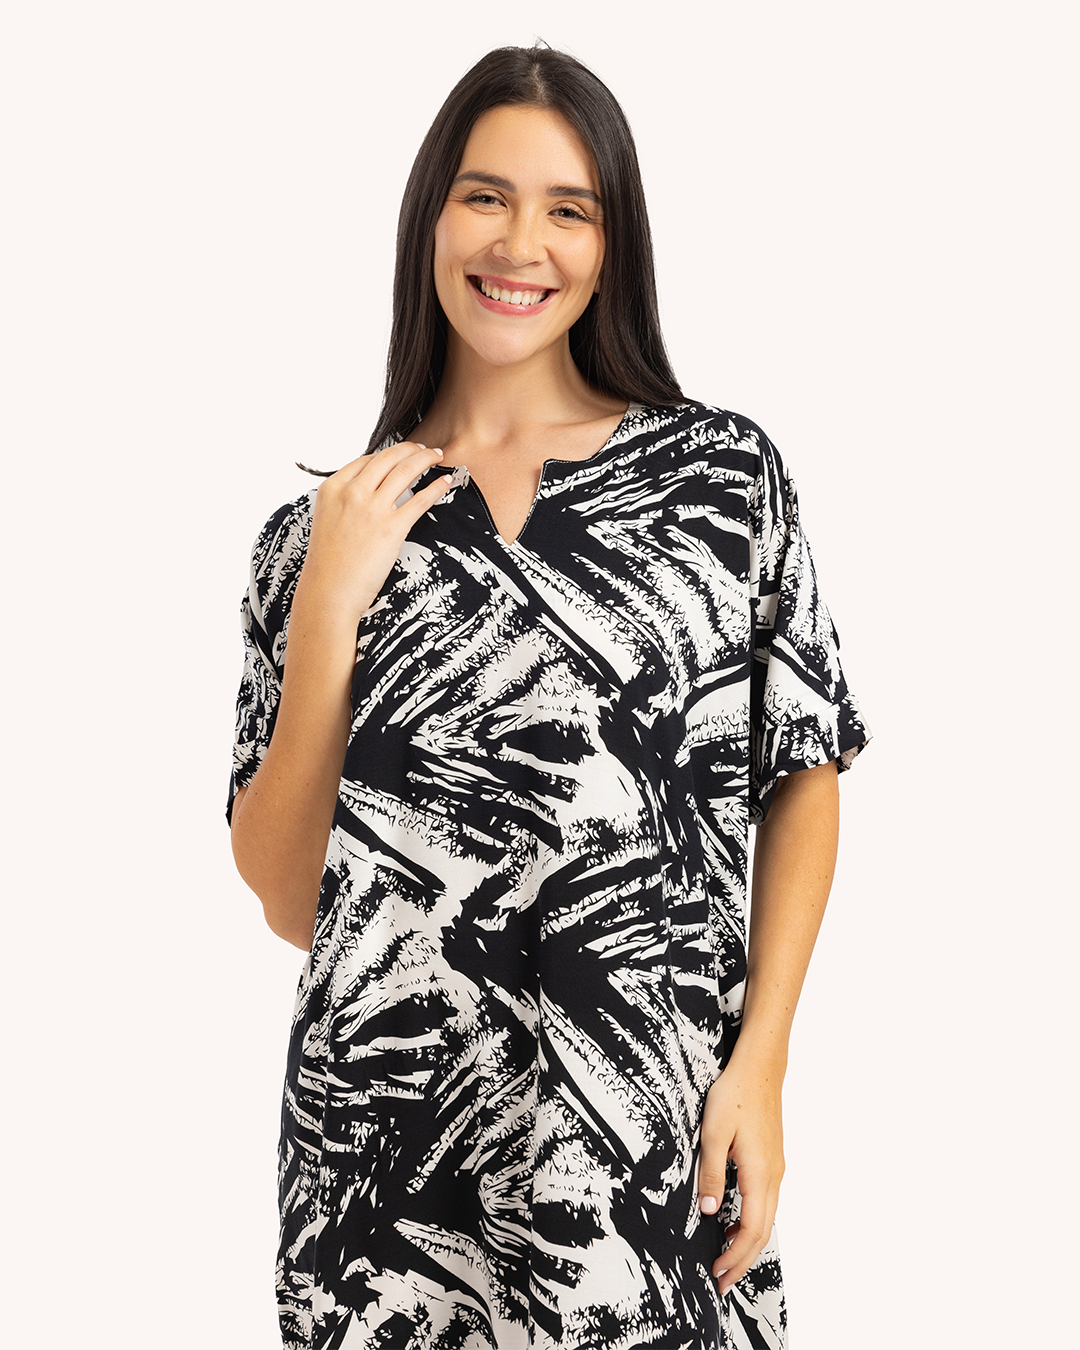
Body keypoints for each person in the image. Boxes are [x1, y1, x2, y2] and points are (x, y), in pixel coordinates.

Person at [227, 43, 869, 1350]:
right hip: (387, 1177)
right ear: (430, 217)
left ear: (611, 241)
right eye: (486, 196)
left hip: (648, 1141)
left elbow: (804, 772)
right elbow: (293, 900)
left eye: (568, 208)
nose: (521, 243)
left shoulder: (721, 483)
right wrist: (331, 611)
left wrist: (762, 1063)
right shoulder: (316, 536)